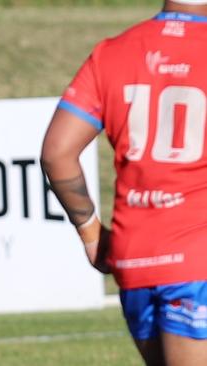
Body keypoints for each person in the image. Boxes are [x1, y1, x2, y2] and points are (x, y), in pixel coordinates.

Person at [41, 1, 207, 365]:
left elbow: (57, 152)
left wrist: (90, 232)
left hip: (136, 259)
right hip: (198, 259)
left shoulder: (113, 52)